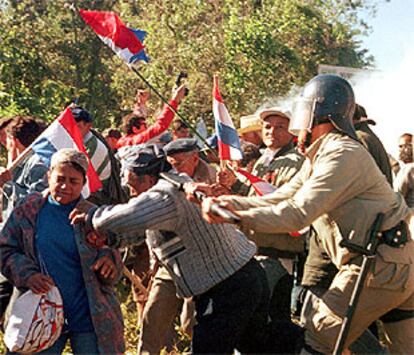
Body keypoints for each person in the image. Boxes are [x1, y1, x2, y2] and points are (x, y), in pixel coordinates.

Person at [201, 74, 414, 354]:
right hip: (392, 262)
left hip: (379, 265)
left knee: (319, 335)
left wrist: (230, 215)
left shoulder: (341, 153)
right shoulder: (323, 154)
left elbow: (297, 214)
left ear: (315, 116)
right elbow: (282, 195)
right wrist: (230, 203)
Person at [70, 144, 270, 354]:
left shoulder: (165, 195)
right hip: (241, 278)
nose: (131, 192)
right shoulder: (174, 187)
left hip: (228, 288)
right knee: (254, 347)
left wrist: (92, 215)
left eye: (132, 185)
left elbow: (129, 215)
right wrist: (110, 238)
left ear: (147, 179)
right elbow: (144, 230)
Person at [0, 148, 125, 354]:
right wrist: (27, 275)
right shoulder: (29, 210)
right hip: (39, 316)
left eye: (74, 181)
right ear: (48, 176)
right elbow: (5, 249)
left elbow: (113, 253)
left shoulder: (93, 216)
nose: (65, 186)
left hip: (89, 318)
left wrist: (109, 261)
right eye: (60, 178)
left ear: (84, 183)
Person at [116, 85, 187, 148]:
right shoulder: (139, 140)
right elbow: (161, 124)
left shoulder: (123, 141)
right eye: (144, 124)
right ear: (135, 129)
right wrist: (175, 99)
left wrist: (141, 102)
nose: (147, 126)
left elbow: (137, 117)